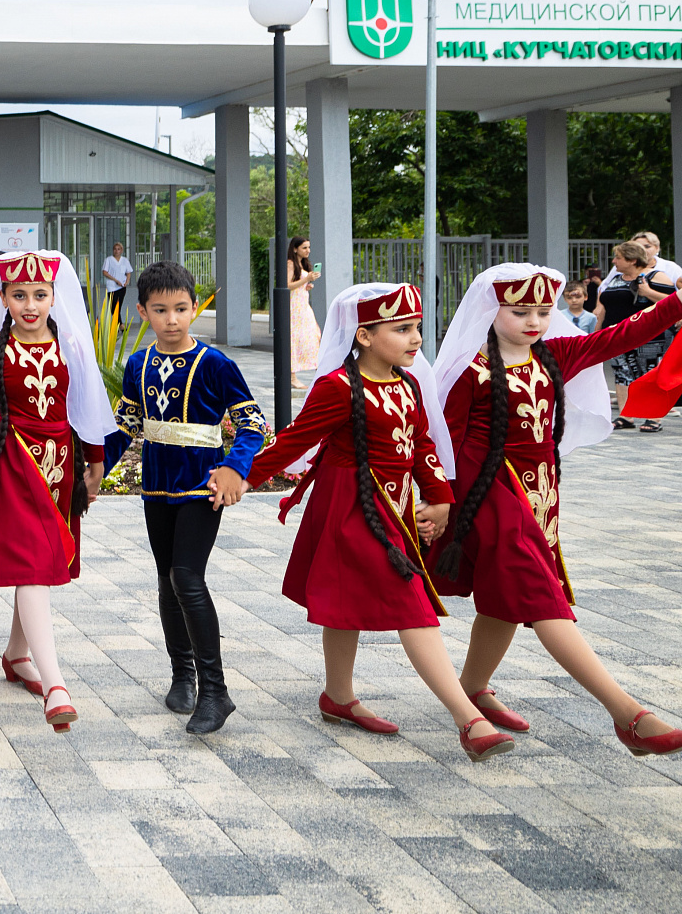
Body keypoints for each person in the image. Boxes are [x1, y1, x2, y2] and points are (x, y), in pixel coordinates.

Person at [235, 283, 516, 760]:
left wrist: (441, 498)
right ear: (363, 335)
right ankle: (468, 720)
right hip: (351, 510)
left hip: (396, 510)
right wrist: (240, 478)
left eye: (418, 329)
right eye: (402, 329)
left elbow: (422, 442)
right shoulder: (337, 388)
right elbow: (292, 441)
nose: (415, 339)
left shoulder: (407, 384)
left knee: (351, 604)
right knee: (413, 606)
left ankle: (338, 698)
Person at [430, 263, 682, 757]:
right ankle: (628, 714)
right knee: (544, 600)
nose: (534, 321)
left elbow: (624, 335)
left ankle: (473, 689)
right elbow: (443, 443)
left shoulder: (555, 354)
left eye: (544, 311)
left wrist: (676, 304)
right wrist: (439, 503)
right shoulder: (469, 369)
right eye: (520, 310)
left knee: (507, 599)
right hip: (489, 499)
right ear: (490, 310)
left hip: (541, 494)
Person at [0, 250, 113, 732]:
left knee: (38, 562)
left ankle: (16, 654)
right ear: (4, 297)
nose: (30, 304)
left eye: (40, 294)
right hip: (10, 462)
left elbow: (86, 403)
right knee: (33, 562)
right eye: (19, 295)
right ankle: (56, 685)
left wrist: (95, 462)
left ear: (55, 296)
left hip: (59, 464)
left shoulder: (71, 344)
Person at [105, 260, 268, 735]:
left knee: (187, 576)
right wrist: (93, 472)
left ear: (195, 308)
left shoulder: (217, 364)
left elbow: (252, 422)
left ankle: (216, 692)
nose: (172, 319)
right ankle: (182, 675)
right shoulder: (138, 365)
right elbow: (126, 426)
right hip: (156, 486)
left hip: (202, 486)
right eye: (160, 310)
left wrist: (234, 468)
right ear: (142, 311)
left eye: (180, 308)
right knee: (165, 578)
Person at [594, 241, 675, 431]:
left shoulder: (655, 277)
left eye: (618, 258)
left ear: (632, 260)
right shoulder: (615, 278)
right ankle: (626, 415)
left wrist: (648, 292)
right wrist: (598, 332)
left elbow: (673, 302)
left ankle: (653, 418)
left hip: (648, 337)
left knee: (649, 374)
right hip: (616, 335)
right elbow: (605, 307)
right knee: (622, 374)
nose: (614, 261)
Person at [286, 236, 321, 389]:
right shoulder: (290, 263)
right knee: (294, 339)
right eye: (304, 248)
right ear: (295, 249)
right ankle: (292, 376)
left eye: (309, 247)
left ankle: (319, 370)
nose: (308, 251)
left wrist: (306, 284)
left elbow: (296, 285)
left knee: (314, 334)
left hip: (304, 305)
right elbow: (287, 285)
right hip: (294, 307)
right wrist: (306, 278)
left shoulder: (303, 264)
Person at [101, 242, 131, 322]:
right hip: (112, 287)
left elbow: (128, 272)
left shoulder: (125, 261)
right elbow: (104, 272)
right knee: (114, 306)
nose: (116, 251)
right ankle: (120, 325)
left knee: (119, 306)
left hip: (122, 286)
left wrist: (127, 282)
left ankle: (117, 325)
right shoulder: (108, 260)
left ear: (121, 250)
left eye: (118, 249)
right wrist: (115, 280)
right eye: (115, 249)